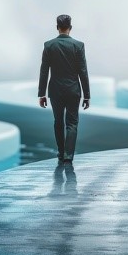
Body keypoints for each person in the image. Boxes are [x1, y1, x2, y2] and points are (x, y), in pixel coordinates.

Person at [38, 14, 90, 164]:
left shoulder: (49, 45)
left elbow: (44, 71)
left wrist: (42, 94)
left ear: (57, 27)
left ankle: (60, 152)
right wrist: (87, 95)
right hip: (73, 89)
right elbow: (83, 71)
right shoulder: (78, 45)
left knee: (58, 121)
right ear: (70, 28)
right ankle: (68, 155)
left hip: (55, 90)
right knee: (72, 123)